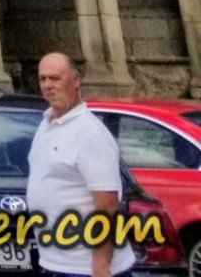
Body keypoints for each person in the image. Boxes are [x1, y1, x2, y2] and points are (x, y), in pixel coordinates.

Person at [28, 52, 133, 277]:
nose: (47, 85)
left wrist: (101, 267)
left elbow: (107, 206)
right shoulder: (46, 123)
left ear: (75, 80)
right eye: (42, 79)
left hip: (85, 268)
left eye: (55, 78)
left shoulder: (90, 134)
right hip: (56, 262)